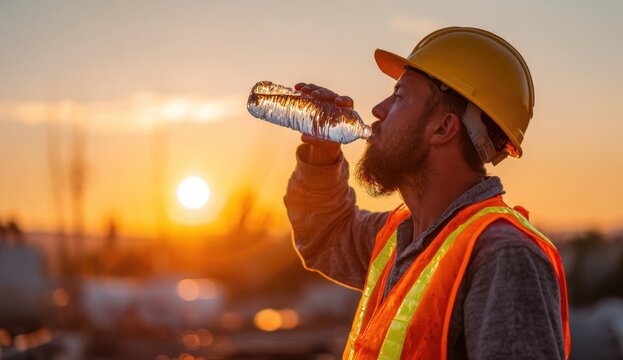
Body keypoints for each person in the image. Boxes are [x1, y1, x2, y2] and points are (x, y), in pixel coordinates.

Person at [284, 27, 570, 359]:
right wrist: (322, 153)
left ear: (443, 128)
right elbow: (326, 237)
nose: (378, 109)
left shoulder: (502, 255)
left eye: (399, 96)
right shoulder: (405, 235)